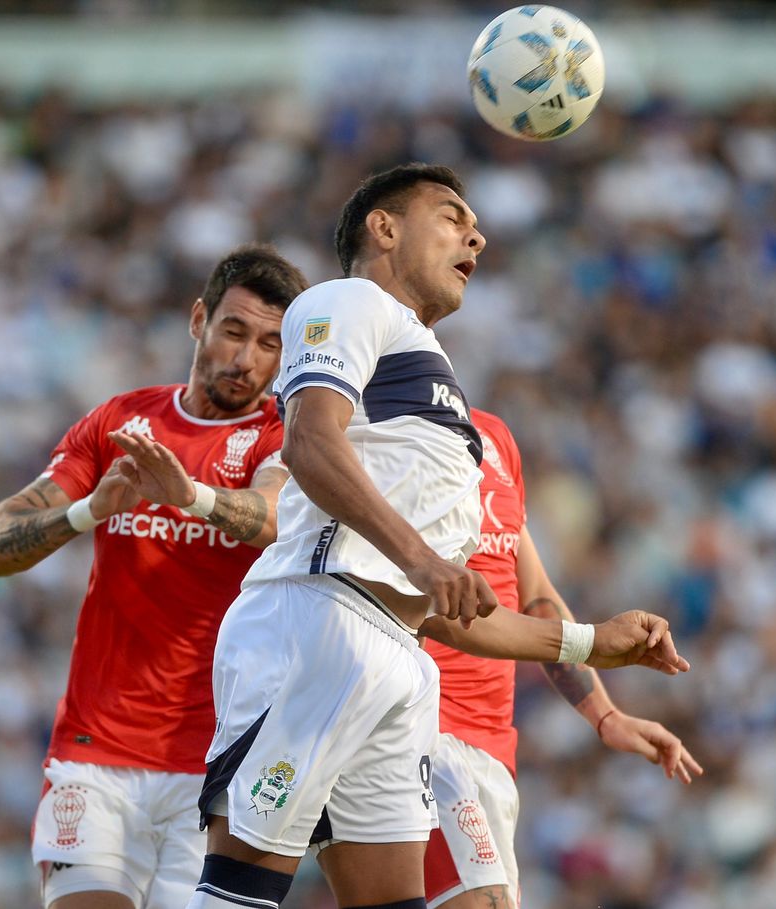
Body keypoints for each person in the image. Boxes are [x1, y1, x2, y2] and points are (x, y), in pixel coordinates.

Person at [184, 164, 691, 909]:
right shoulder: (347, 300)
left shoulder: (442, 387)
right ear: (383, 229)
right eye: (452, 216)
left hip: (402, 651)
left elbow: (457, 607)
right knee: (240, 892)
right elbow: (309, 445)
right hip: (318, 621)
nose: (476, 234)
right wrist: (421, 560)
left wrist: (588, 643)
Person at [0, 244, 309, 909]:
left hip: (216, 767)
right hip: (96, 755)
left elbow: (272, 517)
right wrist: (86, 510)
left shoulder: (282, 436)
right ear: (198, 321)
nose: (246, 359)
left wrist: (193, 497)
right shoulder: (122, 423)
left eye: (270, 344)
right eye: (234, 331)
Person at [422, 408, 705, 908]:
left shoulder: (493, 435)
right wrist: (593, 640)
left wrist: (606, 714)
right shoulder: (383, 428)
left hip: (492, 747)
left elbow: (534, 595)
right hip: (424, 731)